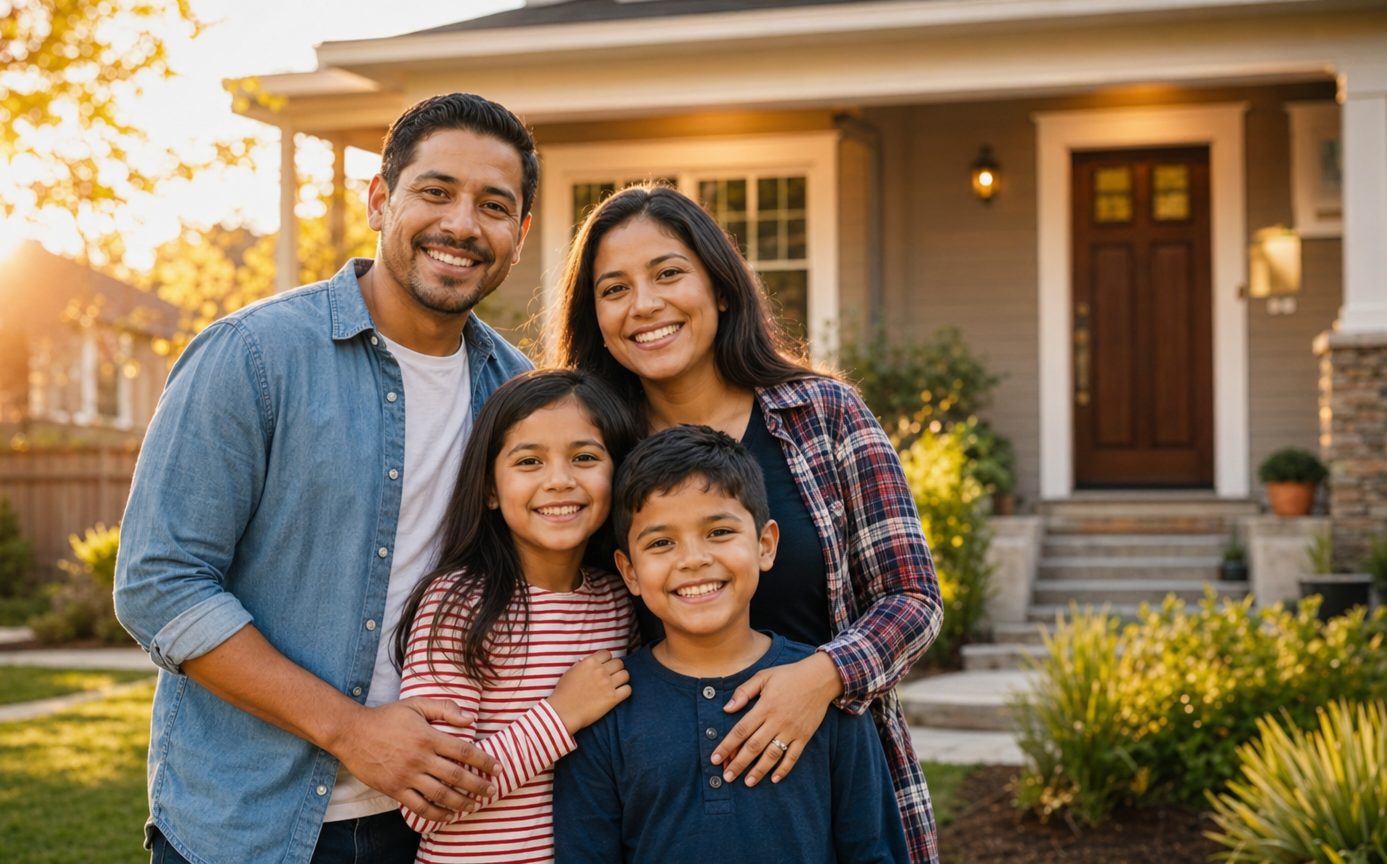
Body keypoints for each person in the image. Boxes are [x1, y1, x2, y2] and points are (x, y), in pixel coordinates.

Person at [114, 93, 539, 864]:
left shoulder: (520, 397)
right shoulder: (253, 356)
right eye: (435, 192)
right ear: (380, 201)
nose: (462, 225)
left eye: (494, 205)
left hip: (444, 827)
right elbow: (160, 583)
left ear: (519, 234)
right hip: (248, 826)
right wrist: (354, 732)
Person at [551, 185, 944, 864]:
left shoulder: (824, 416)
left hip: (829, 780)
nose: (644, 304)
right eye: (614, 289)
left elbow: (913, 600)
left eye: (669, 273)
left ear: (722, 288)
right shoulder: (596, 455)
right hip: (659, 788)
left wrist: (821, 677)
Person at [553, 424, 912, 864]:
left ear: (765, 545)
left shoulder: (825, 699)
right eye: (662, 542)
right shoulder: (607, 711)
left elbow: (874, 853)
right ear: (630, 572)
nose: (693, 559)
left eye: (719, 532)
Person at [393, 369, 641, 863]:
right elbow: (429, 802)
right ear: (489, 489)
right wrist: (561, 716)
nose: (559, 480)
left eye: (585, 457)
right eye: (529, 461)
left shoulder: (619, 599)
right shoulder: (460, 605)